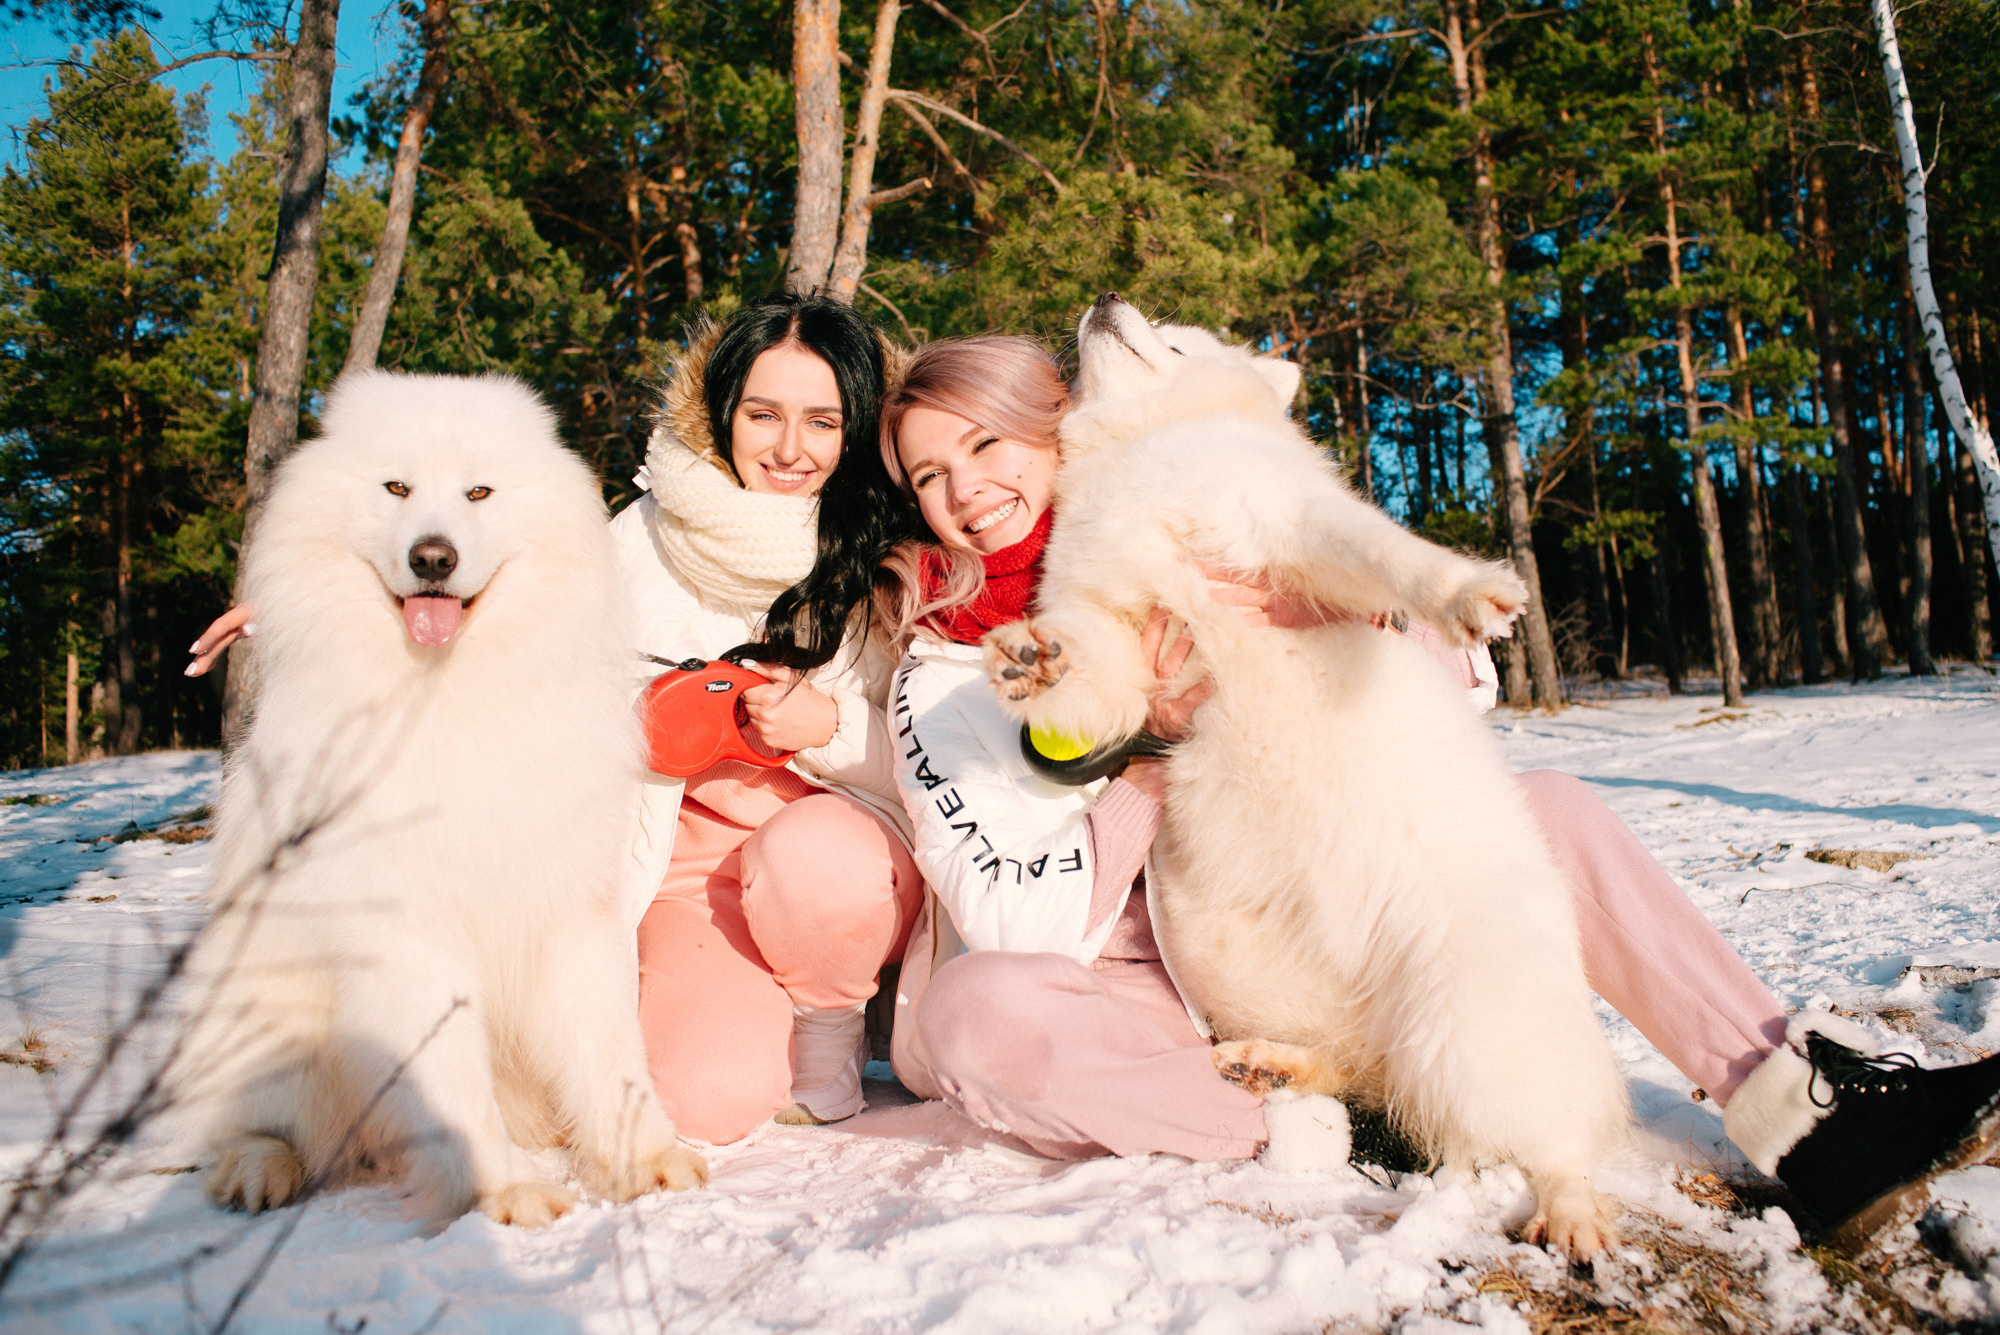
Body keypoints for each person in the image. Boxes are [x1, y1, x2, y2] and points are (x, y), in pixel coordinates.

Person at [765, 331, 2000, 1248]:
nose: (963, 487)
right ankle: (1322, 1123)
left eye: (985, 444)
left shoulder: (1188, 515)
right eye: (927, 476)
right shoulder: (939, 669)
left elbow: (1447, 705)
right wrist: (1146, 747)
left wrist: (1335, 617)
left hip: (1323, 896)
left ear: (1062, 430)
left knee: (1551, 810)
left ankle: (1797, 1107)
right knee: (980, 1012)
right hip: (1137, 982)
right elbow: (1013, 916)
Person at [188, 294, 926, 1142]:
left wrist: (828, 725)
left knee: (817, 865)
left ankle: (836, 1020)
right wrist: (301, 598)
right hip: (687, 870)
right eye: (763, 414)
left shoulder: (892, 551)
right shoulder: (641, 538)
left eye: (822, 422)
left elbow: (936, 750)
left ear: (857, 426)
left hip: (841, 857)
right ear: (723, 411)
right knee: (707, 1101)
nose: (790, 448)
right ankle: (752, 1014)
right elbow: (505, 633)